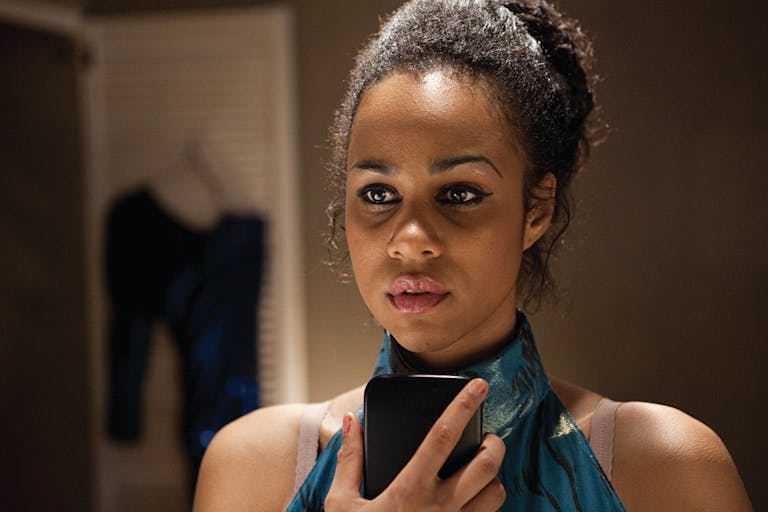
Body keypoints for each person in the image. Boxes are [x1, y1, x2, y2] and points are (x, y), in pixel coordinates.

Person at [193, 0, 752, 510]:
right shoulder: (254, 467)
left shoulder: (663, 467)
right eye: (379, 194)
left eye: (460, 194)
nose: (410, 237)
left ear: (535, 210)